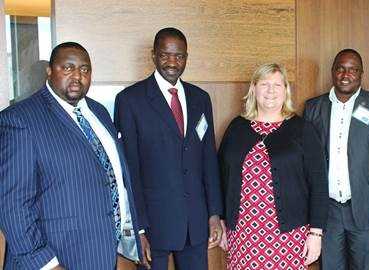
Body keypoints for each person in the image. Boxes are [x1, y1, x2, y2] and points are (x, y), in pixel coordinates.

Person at [0, 42, 144, 269]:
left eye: (85, 69)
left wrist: (133, 235)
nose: (77, 76)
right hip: (58, 258)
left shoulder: (99, 112)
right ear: (49, 70)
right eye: (67, 68)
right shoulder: (20, 120)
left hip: (104, 254)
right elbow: (12, 205)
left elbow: (115, 179)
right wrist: (46, 264)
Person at [114, 27, 223, 270]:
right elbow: (129, 169)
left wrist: (214, 214)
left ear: (186, 57)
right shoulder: (130, 100)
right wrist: (138, 229)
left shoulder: (200, 98)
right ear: (153, 55)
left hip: (195, 224)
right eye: (165, 55)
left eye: (179, 56)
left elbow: (208, 159)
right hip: (153, 227)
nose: (172, 62)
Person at [218, 63, 328, 270]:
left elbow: (319, 184)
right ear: (253, 89)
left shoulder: (302, 129)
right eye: (264, 84)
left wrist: (316, 233)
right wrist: (222, 221)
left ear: (285, 90)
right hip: (243, 234)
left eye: (277, 85)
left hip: (288, 235)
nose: (270, 91)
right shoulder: (236, 127)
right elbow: (222, 177)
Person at [303, 49, 369, 270]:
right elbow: (307, 164)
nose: (346, 75)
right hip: (327, 212)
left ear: (361, 74)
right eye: (341, 68)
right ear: (332, 72)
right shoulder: (313, 107)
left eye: (353, 70)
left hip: (368, 210)